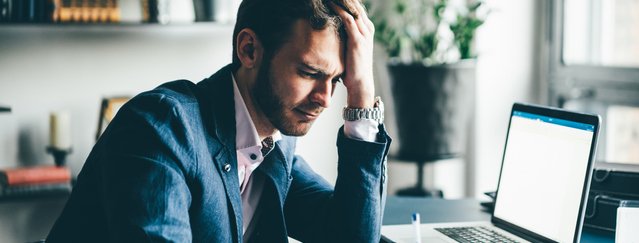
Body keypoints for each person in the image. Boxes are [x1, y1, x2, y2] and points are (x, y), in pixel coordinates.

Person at [45, 0, 390, 242]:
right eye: (309, 73)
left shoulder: (273, 147)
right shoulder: (161, 128)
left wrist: (362, 97)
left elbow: (352, 237)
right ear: (250, 50)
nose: (325, 99)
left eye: (337, 81)